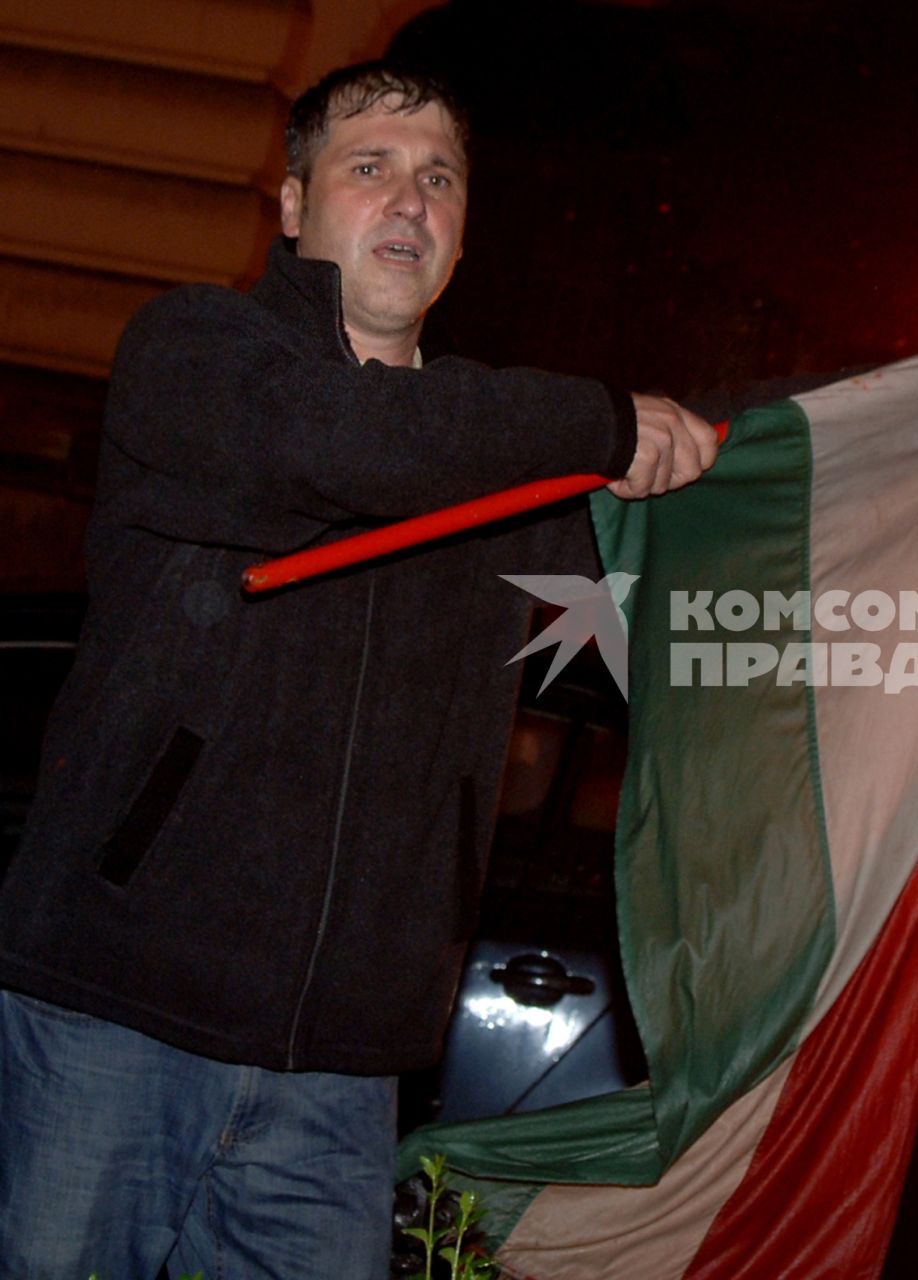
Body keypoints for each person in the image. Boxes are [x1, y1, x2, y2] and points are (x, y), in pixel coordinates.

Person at [0, 61, 718, 1280]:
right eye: (369, 168)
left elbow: (655, 624)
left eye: (438, 180)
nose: (409, 202)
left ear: (461, 233)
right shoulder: (196, 353)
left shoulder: (515, 485)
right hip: (114, 1020)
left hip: (341, 1077)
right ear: (290, 206)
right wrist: (598, 422)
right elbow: (343, 442)